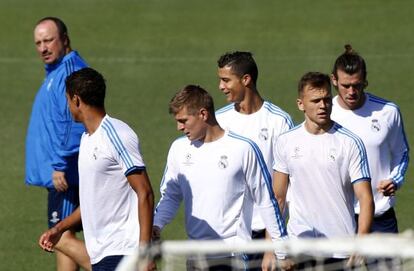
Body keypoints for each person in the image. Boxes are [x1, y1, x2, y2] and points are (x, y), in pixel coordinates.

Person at [153, 85, 288, 270]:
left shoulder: (243, 148)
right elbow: (171, 195)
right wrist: (157, 224)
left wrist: (280, 250)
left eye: (183, 120)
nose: (179, 127)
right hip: (196, 256)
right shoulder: (179, 149)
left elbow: (266, 201)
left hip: (232, 256)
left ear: (203, 114)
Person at [38, 68, 155, 271]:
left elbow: (144, 191)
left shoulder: (116, 134)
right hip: (100, 253)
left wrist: (144, 253)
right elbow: (92, 201)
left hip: (123, 251)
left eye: (67, 100)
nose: (67, 106)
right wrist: (60, 228)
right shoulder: (87, 139)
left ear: (76, 100)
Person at [273, 72, 374, 269]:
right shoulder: (285, 141)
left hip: (340, 247)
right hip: (299, 244)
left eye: (327, 100)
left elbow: (365, 198)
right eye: (316, 100)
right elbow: (278, 197)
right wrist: (277, 248)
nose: (323, 105)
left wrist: (360, 243)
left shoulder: (350, 143)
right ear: (301, 104)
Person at [216, 51, 294, 270]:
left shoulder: (279, 122)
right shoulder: (219, 121)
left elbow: (282, 190)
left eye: (225, 80)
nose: (221, 87)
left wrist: (271, 247)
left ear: (246, 79)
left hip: (264, 233)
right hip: (228, 235)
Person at [25, 17, 90, 271]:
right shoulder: (57, 70)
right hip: (60, 173)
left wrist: (60, 165)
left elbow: (74, 125)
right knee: (62, 237)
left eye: (49, 40)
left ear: (64, 39)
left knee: (60, 236)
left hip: (65, 175)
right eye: (38, 43)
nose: (43, 48)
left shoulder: (69, 73)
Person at [330, 45, 410, 234]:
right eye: (345, 86)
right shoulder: (324, 113)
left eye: (357, 85)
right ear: (334, 80)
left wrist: (395, 179)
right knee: (337, 266)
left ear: (365, 81)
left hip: (380, 216)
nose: (351, 92)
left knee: (386, 266)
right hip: (339, 216)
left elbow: (402, 152)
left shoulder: (388, 112)